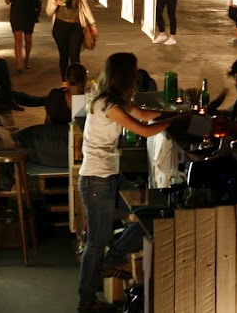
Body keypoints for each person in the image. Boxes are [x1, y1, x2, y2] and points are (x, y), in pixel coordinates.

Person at [77, 52, 190, 312]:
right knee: (96, 242)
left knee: (148, 213)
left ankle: (111, 261)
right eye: (134, 72)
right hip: (96, 180)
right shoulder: (108, 105)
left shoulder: (115, 100)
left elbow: (145, 115)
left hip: (110, 176)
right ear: (125, 75)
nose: (136, 77)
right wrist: (176, 120)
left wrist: (177, 112)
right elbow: (145, 129)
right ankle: (86, 301)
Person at [46, 0, 98, 88]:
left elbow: (85, 7)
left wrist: (92, 24)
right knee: (63, 54)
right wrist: (55, 4)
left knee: (74, 53)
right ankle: (64, 80)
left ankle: (76, 81)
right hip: (60, 26)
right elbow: (48, 12)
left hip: (75, 26)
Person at [5, 0, 41, 72]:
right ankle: (19, 64)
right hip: (16, 13)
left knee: (28, 39)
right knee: (18, 39)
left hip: (29, 13)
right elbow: (7, 0)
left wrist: (37, 10)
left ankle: (27, 59)